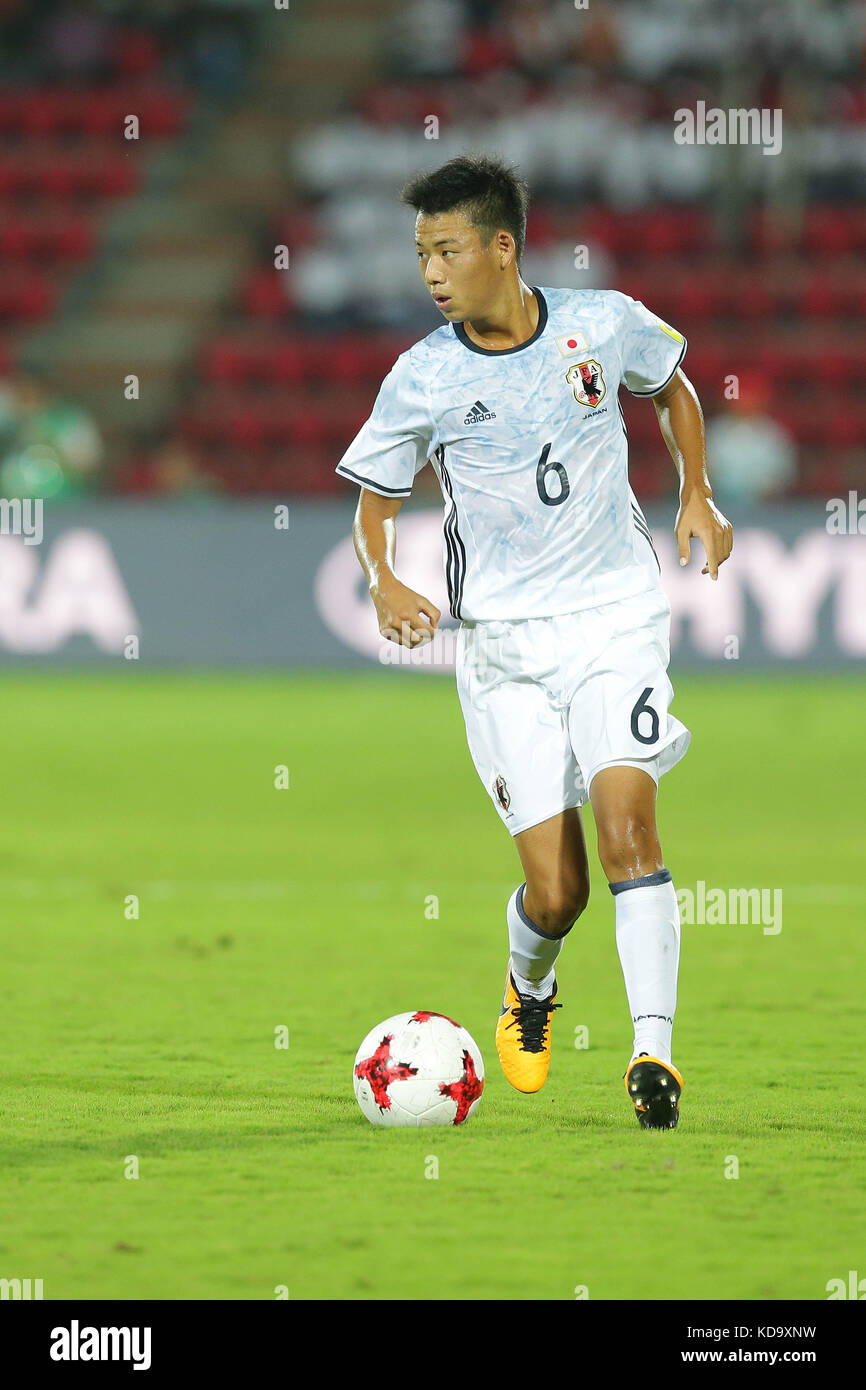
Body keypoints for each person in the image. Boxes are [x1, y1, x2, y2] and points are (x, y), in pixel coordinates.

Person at [335, 155, 732, 1129]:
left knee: (628, 832)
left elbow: (672, 388)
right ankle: (529, 984)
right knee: (554, 894)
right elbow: (374, 502)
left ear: (499, 248)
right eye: (420, 253)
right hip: (504, 647)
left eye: (446, 249)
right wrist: (383, 577)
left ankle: (652, 1054)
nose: (429, 271)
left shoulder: (601, 323)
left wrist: (696, 490)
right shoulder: (423, 376)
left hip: (613, 618)